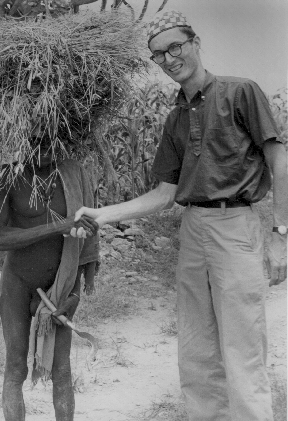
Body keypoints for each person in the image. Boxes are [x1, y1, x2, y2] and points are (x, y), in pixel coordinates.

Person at [74, 9, 288, 421]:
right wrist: (102, 214)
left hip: (236, 226)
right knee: (196, 351)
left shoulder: (240, 92)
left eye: (176, 47)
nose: (170, 59)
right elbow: (164, 194)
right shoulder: (175, 118)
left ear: (195, 42)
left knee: (242, 348)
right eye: (159, 55)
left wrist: (280, 233)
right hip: (193, 230)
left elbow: (280, 161)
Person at [0, 130, 99, 421]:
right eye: (36, 141)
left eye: (51, 140)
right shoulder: (7, 176)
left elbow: (85, 241)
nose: (44, 148)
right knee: (15, 368)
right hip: (18, 284)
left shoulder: (73, 173)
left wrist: (74, 293)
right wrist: (55, 227)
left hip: (60, 284)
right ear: (23, 139)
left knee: (62, 370)